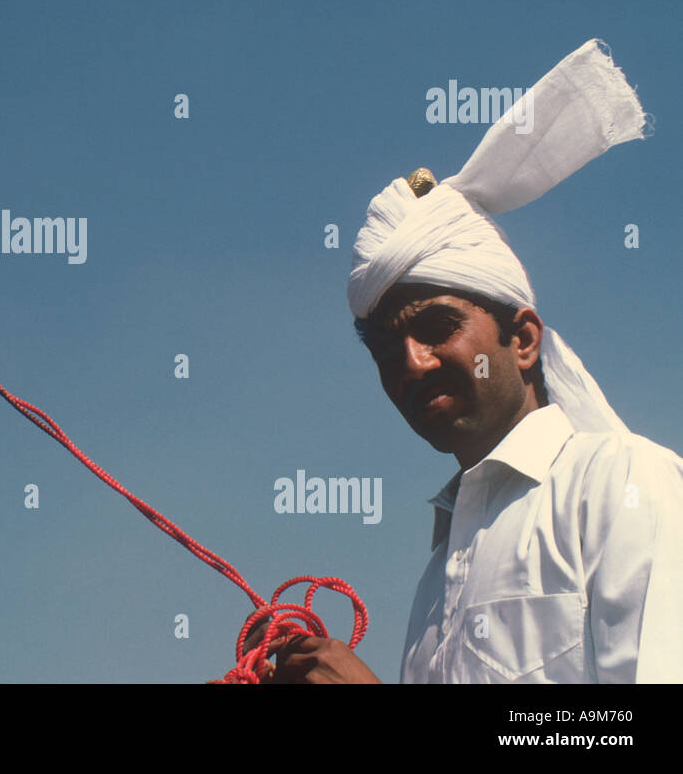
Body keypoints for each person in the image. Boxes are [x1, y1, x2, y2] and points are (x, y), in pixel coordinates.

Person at [262, 40, 683, 683]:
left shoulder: (624, 485)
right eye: (383, 348)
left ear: (522, 339)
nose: (411, 363)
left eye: (437, 327)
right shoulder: (439, 573)